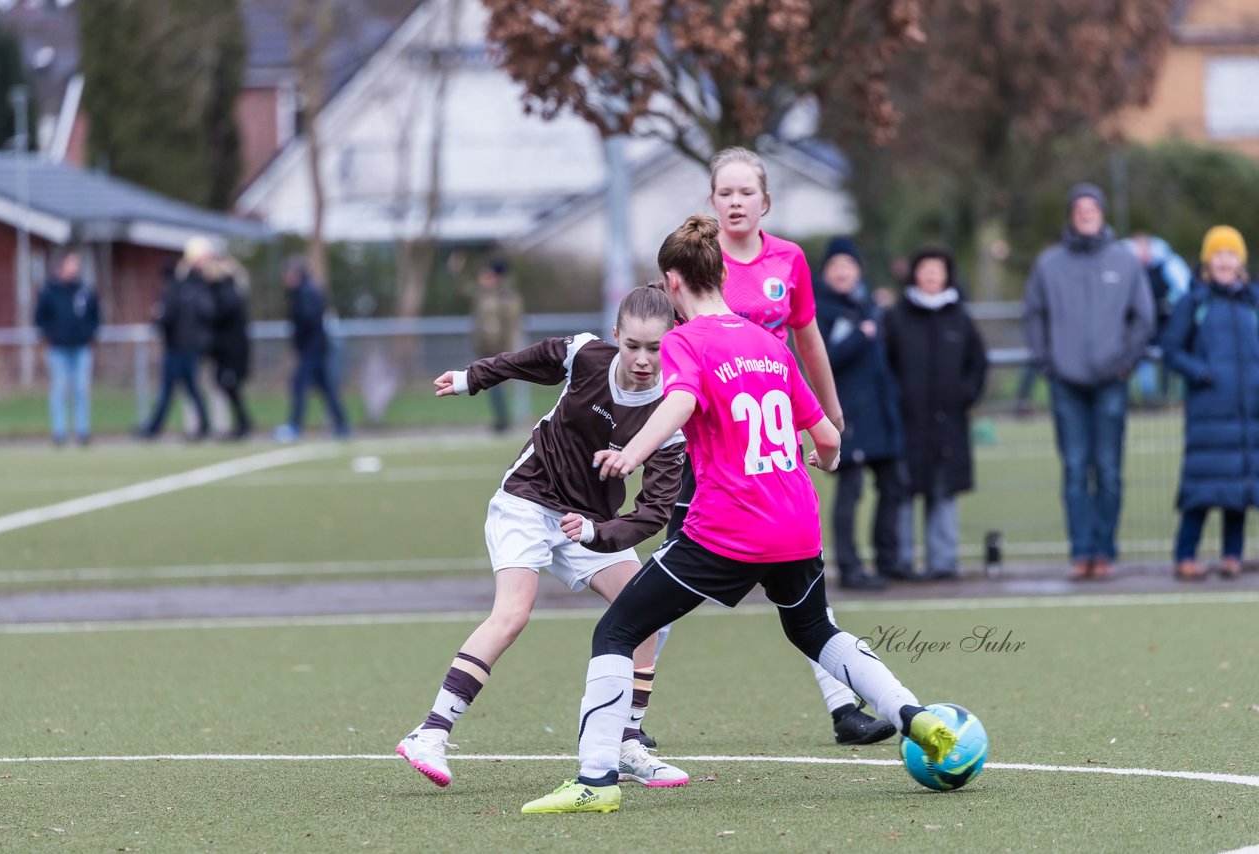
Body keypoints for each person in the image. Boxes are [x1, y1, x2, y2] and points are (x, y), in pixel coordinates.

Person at [521, 216, 957, 815]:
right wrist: (823, 456)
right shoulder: (768, 342)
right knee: (813, 630)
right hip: (797, 521)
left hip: (728, 529)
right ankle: (913, 712)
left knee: (616, 631)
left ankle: (595, 783)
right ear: (722, 272)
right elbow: (827, 439)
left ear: (672, 282)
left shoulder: (685, 341)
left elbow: (678, 401)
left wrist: (631, 452)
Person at [397, 285, 690, 790]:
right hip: (527, 502)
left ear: (674, 344)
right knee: (513, 613)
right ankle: (430, 733)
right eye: (633, 346)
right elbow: (526, 360)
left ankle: (628, 743)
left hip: (590, 522)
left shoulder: (672, 414)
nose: (643, 359)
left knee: (649, 612)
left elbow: (655, 511)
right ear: (616, 336)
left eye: (656, 348)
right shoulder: (586, 354)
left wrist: (600, 532)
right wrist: (473, 378)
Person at [661, 148, 891, 748]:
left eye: (746, 192)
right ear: (711, 201)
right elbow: (673, 357)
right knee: (661, 583)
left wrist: (828, 413)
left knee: (803, 582)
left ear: (766, 200)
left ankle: (844, 707)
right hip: (712, 454)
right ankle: (631, 719)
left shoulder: (788, 259)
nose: (735, 202)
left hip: (773, 446)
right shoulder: (695, 265)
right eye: (724, 193)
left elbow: (807, 339)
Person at [1023, 183, 1154, 580]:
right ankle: (1081, 554)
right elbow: (1034, 316)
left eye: (1091, 207)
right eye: (1078, 207)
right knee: (1076, 470)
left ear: (1101, 213)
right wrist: (1049, 363)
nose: (1085, 213)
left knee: (1110, 471)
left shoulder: (1126, 261)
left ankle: (1105, 553)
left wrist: (1125, 363)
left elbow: (1143, 318)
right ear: (1071, 214)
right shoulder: (1048, 264)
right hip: (1066, 385)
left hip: (1112, 382)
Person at [884, 248, 988, 580]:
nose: (931, 275)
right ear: (914, 273)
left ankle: (943, 562)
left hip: (949, 424)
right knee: (902, 492)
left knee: (943, 491)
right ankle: (900, 561)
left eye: (937, 269)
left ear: (947, 275)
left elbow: (978, 363)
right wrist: (896, 400)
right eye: (925, 268)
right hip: (906, 423)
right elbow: (883, 366)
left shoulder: (960, 317)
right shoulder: (896, 317)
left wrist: (964, 395)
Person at [1160, 226, 1257, 581]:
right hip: (1208, 413)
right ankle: (1185, 555)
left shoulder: (1253, 302)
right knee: (1201, 489)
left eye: (1231, 254)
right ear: (1207, 261)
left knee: (1239, 489)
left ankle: (1233, 555)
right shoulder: (1194, 303)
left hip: (1248, 414)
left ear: (1240, 261)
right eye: (1218, 254)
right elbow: (1170, 350)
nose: (1225, 261)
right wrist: (1202, 374)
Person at [813, 236, 905, 590]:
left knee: (893, 485)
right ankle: (849, 567)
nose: (842, 272)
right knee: (849, 491)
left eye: (848, 266)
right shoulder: (822, 311)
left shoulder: (866, 308)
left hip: (880, 418)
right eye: (835, 266)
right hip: (846, 418)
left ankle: (889, 560)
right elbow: (823, 360)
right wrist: (860, 337)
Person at [141, 239, 215, 439]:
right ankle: (158, 427)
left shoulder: (181, 288)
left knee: (175, 390)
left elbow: (169, 317)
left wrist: (158, 318)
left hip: (180, 348)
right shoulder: (184, 288)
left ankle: (155, 428)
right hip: (181, 346)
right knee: (187, 390)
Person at [275, 258, 350, 441]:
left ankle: (294, 425)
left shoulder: (306, 292)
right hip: (314, 347)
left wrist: (300, 344)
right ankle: (342, 425)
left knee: (299, 386)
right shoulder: (304, 291)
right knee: (325, 388)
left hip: (312, 348)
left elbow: (307, 321)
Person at [34, 249, 100, 446]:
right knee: (59, 389)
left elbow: (96, 317)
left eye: (77, 264)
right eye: (71, 263)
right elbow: (39, 318)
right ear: (61, 266)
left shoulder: (85, 291)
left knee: (81, 389)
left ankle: (82, 432)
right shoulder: (50, 291)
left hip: (81, 348)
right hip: (58, 349)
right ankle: (59, 433)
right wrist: (51, 334)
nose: (75, 268)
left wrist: (89, 334)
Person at [1123, 233, 1192, 406]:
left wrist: (1170, 306)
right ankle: (1143, 399)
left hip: (1164, 324)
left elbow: (1183, 289)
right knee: (1139, 359)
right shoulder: (1128, 266)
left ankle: (1164, 396)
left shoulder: (1168, 264)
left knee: (1167, 359)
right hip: (1137, 325)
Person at [470, 258, 524, 433]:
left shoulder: (506, 297)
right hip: (486, 347)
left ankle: (503, 421)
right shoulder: (483, 294)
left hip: (499, 349)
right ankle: (501, 420)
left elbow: (510, 324)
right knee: (492, 386)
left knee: (496, 386)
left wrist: (507, 350)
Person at [204, 250, 253, 439]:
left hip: (231, 350)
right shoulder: (219, 289)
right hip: (222, 349)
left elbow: (219, 314)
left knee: (230, 385)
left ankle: (243, 423)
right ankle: (241, 422)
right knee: (226, 386)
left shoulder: (228, 290)